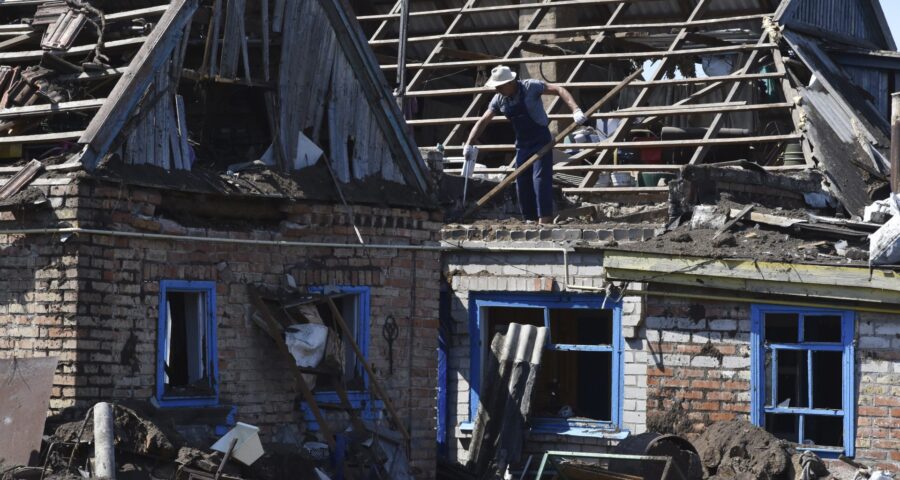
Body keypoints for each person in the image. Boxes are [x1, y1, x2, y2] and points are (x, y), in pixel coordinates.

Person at [463, 65, 587, 224]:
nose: (498, 90)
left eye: (500, 87)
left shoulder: (530, 87)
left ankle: (545, 221)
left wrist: (575, 109)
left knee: (540, 179)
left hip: (541, 140)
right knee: (522, 183)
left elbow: (559, 89)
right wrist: (469, 142)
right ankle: (529, 220)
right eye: (496, 87)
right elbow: (484, 121)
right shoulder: (499, 99)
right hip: (522, 144)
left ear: (510, 82)